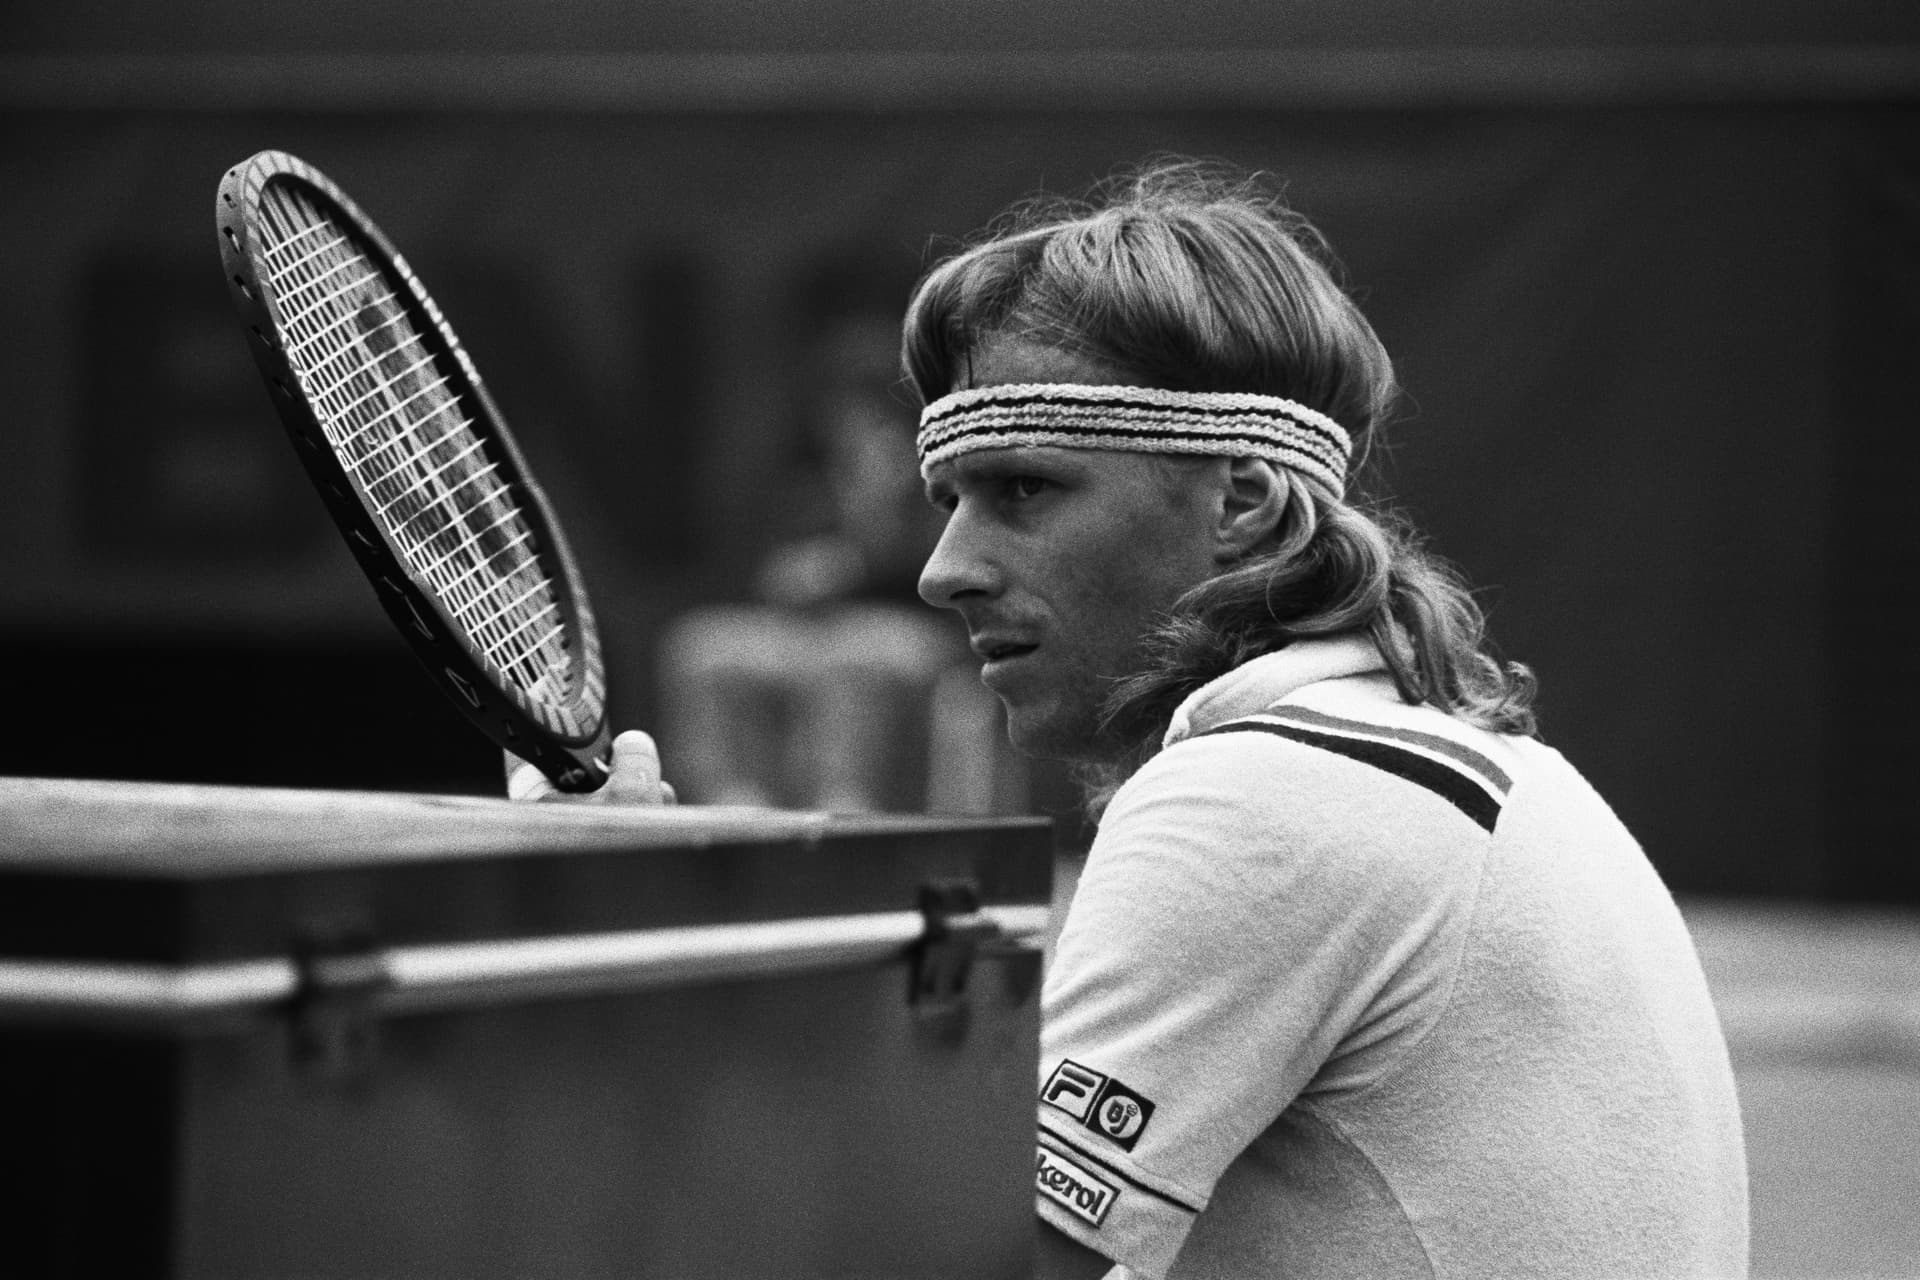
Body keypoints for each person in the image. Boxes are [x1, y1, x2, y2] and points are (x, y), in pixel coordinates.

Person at [513, 160, 1750, 1279]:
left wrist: (591, 986)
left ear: (1246, 505)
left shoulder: (1267, 798)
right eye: (950, 498)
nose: (946, 567)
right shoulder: (1433, 760)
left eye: (1024, 490)